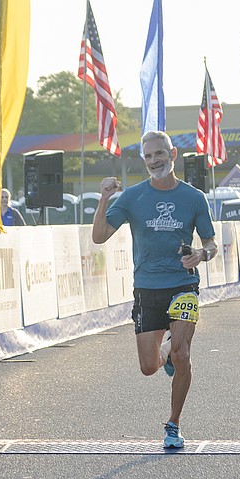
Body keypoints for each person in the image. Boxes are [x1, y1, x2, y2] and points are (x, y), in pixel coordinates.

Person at [91, 130, 217, 449]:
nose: (154, 160)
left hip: (183, 284)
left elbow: (212, 244)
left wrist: (201, 254)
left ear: (172, 155)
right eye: (148, 156)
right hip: (147, 288)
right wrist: (104, 198)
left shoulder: (194, 197)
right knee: (149, 367)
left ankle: (173, 424)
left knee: (184, 354)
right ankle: (167, 353)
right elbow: (99, 236)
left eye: (159, 154)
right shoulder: (133, 197)